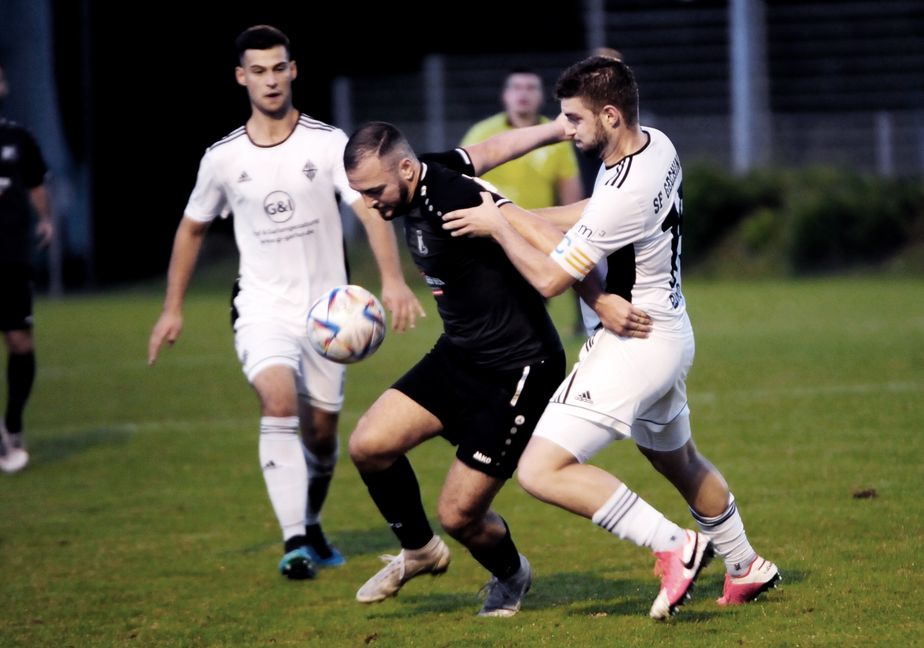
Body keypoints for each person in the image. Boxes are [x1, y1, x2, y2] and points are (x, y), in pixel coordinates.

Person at [443, 56, 780, 619]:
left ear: (610, 114)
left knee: (540, 470)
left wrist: (500, 222)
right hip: (669, 331)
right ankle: (745, 566)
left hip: (634, 344)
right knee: (678, 459)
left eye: (574, 119)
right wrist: (512, 207)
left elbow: (553, 277)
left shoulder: (626, 188)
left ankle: (677, 546)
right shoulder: (656, 145)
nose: (567, 130)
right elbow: (590, 213)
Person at [342, 119, 650, 617]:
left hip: (518, 368)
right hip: (459, 354)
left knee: (459, 516)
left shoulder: (455, 198)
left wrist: (599, 299)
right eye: (361, 194)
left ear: (404, 168)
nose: (371, 203)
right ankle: (419, 551)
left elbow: (553, 243)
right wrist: (553, 129)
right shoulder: (428, 171)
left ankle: (511, 575)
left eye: (374, 191)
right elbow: (491, 148)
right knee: (369, 446)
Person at [147, 26, 423, 580]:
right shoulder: (223, 158)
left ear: (293, 70)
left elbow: (369, 209)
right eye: (259, 70)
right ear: (241, 77)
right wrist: (171, 307)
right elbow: (191, 229)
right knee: (276, 403)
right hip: (261, 308)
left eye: (279, 68)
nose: (270, 80)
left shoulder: (326, 144)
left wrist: (392, 280)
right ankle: (294, 541)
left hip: (329, 316)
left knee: (322, 436)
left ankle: (312, 522)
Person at [461, 68, 586, 335]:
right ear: (505, 96)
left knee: (526, 315)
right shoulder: (484, 133)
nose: (523, 94)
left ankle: (578, 324)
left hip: (534, 237)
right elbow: (459, 182)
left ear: (541, 97)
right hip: (489, 237)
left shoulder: (559, 136)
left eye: (530, 88)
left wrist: (570, 232)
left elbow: (571, 193)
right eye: (517, 87)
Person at [0, 62, 54, 475]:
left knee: (21, 343)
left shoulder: (19, 139)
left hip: (12, 258)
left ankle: (13, 422)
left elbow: (36, 183)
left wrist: (46, 219)